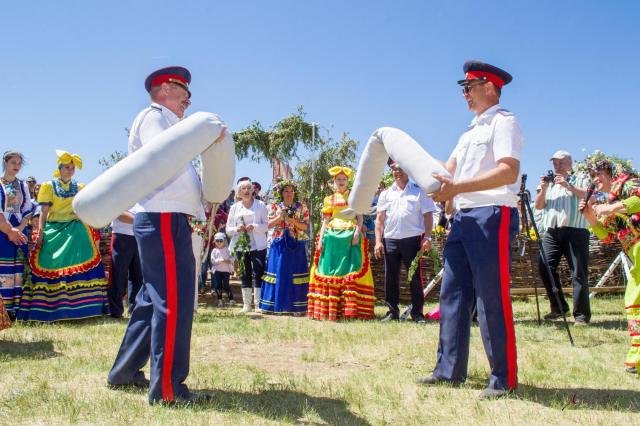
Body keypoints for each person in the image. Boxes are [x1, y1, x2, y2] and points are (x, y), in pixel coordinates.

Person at [108, 66, 225, 404]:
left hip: (169, 218)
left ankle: (125, 371)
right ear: (164, 89)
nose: (188, 99)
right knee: (173, 302)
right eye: (183, 91)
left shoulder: (174, 127)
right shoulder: (153, 116)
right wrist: (204, 138)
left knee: (151, 299)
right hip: (162, 217)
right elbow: (166, 156)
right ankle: (167, 390)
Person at [416, 61, 524, 400]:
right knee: (453, 294)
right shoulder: (467, 134)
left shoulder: (504, 122)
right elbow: (446, 172)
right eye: (463, 87)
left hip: (492, 213)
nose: (464, 92)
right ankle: (449, 371)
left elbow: (508, 172)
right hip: (462, 218)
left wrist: (456, 186)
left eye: (469, 85)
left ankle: (502, 378)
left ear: (489, 87)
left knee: (491, 295)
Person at [19, 150, 108, 322]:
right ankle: (49, 310)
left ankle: (84, 309)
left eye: (72, 167)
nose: (69, 170)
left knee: (86, 257)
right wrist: (41, 232)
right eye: (66, 167)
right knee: (50, 262)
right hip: (54, 228)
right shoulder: (48, 186)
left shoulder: (81, 187)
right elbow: (44, 212)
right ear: (59, 168)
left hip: (76, 229)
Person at [580, 159, 640, 374]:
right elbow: (607, 238)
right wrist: (591, 217)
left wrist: (610, 207)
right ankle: (637, 357)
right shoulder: (610, 202)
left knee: (635, 299)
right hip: (635, 252)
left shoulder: (629, 184)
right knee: (633, 301)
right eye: (593, 177)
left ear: (611, 172)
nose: (596, 180)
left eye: (599, 174)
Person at [307, 166, 375, 321]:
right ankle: (329, 309)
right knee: (330, 271)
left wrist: (357, 232)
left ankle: (349, 310)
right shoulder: (328, 199)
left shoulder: (354, 197)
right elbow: (325, 221)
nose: (341, 182)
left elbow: (360, 218)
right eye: (338, 179)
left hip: (350, 236)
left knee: (351, 269)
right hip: (331, 238)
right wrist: (321, 239)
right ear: (334, 181)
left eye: (344, 179)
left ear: (348, 180)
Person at [374, 161, 436, 323]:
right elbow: (379, 220)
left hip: (412, 240)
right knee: (391, 277)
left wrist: (427, 237)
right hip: (390, 239)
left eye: (401, 169)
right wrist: (378, 241)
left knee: (414, 276)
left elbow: (428, 216)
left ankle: (417, 313)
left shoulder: (419, 192)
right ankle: (392, 311)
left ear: (408, 170)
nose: (397, 172)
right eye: (394, 169)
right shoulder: (385, 194)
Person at [534, 150, 591, 325]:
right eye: (555, 163)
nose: (557, 166)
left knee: (578, 272)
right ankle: (559, 307)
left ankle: (581, 316)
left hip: (576, 230)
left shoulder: (581, 177)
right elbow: (538, 205)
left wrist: (568, 186)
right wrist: (542, 190)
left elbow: (590, 195)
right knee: (545, 267)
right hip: (552, 231)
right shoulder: (549, 182)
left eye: (561, 163)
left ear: (570, 163)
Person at [260, 179, 310, 315]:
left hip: (297, 242)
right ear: (281, 193)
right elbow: (268, 225)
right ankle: (273, 305)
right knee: (278, 271)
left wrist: (292, 221)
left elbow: (305, 226)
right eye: (286, 191)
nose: (289, 194)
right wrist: (280, 218)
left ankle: (297, 307)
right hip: (279, 242)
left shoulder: (302, 207)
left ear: (295, 193)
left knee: (295, 272)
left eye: (291, 191)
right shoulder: (274, 206)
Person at [226, 179, 268, 313]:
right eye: (243, 188)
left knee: (258, 273)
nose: (246, 190)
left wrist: (254, 227)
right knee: (245, 273)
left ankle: (258, 305)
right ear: (239, 192)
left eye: (249, 188)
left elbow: (266, 226)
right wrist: (237, 229)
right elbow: (228, 229)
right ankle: (246, 305)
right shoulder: (234, 207)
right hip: (241, 246)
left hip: (258, 245)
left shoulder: (261, 205)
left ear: (253, 191)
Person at [0, 151, 32, 320]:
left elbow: (28, 208)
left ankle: (17, 309)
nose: (17, 166)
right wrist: (9, 229)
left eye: (19, 163)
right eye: (13, 162)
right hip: (2, 229)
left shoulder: (23, 185)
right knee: (3, 267)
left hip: (20, 229)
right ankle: (3, 310)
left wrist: (19, 228)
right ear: (5, 163)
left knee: (18, 268)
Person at [107, 210, 143, 319]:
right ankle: (115, 311)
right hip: (121, 234)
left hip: (140, 234)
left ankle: (136, 310)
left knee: (139, 276)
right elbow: (119, 213)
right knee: (118, 274)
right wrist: (143, 220)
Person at [210, 232, 234, 306]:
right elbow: (213, 261)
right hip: (217, 271)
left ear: (224, 241)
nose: (219, 242)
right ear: (215, 241)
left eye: (221, 240)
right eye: (217, 241)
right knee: (218, 286)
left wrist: (228, 260)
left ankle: (231, 299)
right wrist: (220, 260)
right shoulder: (214, 251)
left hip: (226, 271)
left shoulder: (227, 250)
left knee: (226, 285)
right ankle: (219, 300)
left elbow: (232, 258)